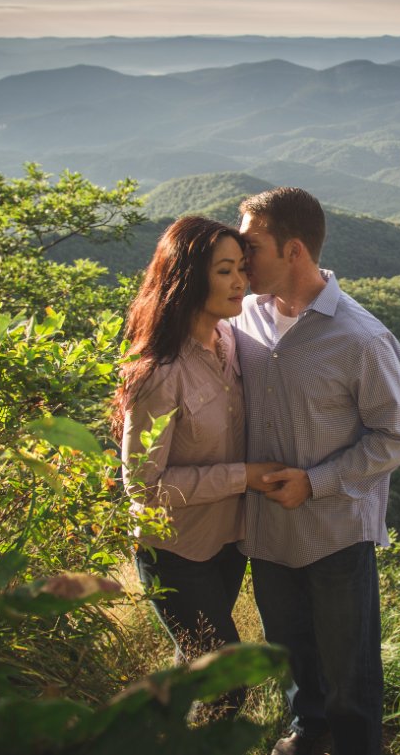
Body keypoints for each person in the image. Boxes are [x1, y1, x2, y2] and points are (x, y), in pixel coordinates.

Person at [233, 187, 400, 755]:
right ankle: (307, 737)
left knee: (349, 668)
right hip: (267, 531)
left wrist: (316, 481)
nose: (241, 257)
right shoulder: (242, 318)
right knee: (291, 652)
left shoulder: (361, 339)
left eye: (251, 245)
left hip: (336, 530)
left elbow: (396, 436)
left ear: (293, 250)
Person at [111, 215, 286, 710]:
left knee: (195, 669)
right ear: (188, 280)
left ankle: (151, 733)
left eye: (241, 269)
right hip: (175, 550)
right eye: (224, 271)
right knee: (227, 683)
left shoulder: (231, 343)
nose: (240, 282)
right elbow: (144, 488)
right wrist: (244, 477)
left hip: (227, 542)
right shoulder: (159, 374)